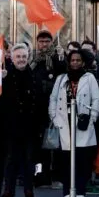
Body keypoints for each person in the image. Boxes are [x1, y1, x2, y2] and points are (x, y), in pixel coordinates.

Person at [49, 49, 99, 197]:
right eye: (73, 60)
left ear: (83, 62)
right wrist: (54, 117)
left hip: (83, 123)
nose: (75, 63)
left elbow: (96, 99)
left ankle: (80, 190)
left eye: (78, 60)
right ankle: (67, 190)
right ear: (69, 62)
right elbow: (53, 99)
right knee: (66, 160)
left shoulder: (89, 77)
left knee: (83, 160)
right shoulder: (61, 79)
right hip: (64, 122)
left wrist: (93, 118)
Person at [0, 44, 44, 197]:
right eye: (18, 57)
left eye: (24, 57)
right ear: (12, 58)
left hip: (30, 127)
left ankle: (29, 190)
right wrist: (0, 81)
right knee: (10, 160)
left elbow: (40, 102)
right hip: (11, 127)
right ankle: (8, 191)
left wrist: (40, 125)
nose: (21, 59)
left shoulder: (34, 76)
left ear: (28, 57)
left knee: (29, 161)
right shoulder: (4, 76)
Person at [31, 30, 67, 188]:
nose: (44, 44)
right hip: (36, 111)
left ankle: (57, 177)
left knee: (56, 147)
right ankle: (39, 176)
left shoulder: (57, 58)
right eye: (41, 41)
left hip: (54, 110)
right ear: (37, 43)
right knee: (39, 147)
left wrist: (61, 57)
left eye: (47, 41)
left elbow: (64, 72)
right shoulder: (33, 60)